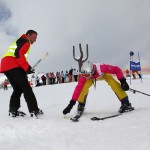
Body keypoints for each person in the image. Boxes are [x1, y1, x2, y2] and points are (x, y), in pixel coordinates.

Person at [63, 61, 134, 116]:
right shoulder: (85, 77)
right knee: (83, 87)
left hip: (103, 74)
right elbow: (78, 89)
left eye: (86, 74)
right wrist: (71, 104)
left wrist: (123, 81)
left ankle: (126, 103)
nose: (85, 76)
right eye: (83, 75)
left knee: (113, 83)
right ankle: (81, 104)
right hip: (92, 77)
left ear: (92, 71)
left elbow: (117, 69)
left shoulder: (102, 68)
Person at [0, 30, 43, 118]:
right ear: (28, 35)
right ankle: (34, 110)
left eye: (36, 38)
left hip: (5, 66)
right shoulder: (26, 41)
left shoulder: (20, 40)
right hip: (13, 64)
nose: (35, 40)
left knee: (17, 89)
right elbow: (19, 54)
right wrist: (27, 68)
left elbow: (17, 55)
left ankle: (13, 110)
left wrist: (26, 68)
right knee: (26, 88)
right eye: (34, 37)